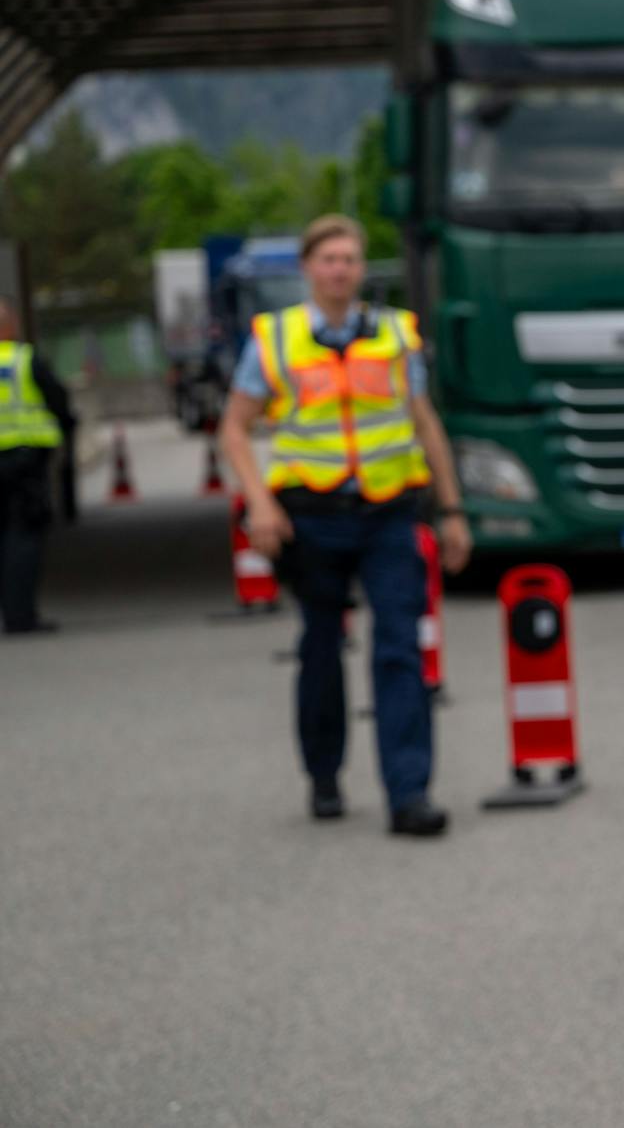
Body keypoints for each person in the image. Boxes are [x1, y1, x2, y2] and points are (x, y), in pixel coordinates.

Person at [219, 215, 471, 837]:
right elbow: (234, 426)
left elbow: (424, 421)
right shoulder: (275, 339)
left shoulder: (395, 335)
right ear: (307, 267)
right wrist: (261, 503)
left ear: (363, 269)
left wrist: (453, 510)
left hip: (387, 513)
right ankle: (325, 773)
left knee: (399, 649)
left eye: (350, 259)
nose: (340, 269)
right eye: (329, 258)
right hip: (312, 519)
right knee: (322, 647)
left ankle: (409, 793)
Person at [0, 295, 74, 636]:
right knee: (23, 539)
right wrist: (64, 432)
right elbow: (58, 401)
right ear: (9, 325)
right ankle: (20, 615)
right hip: (24, 462)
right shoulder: (23, 359)